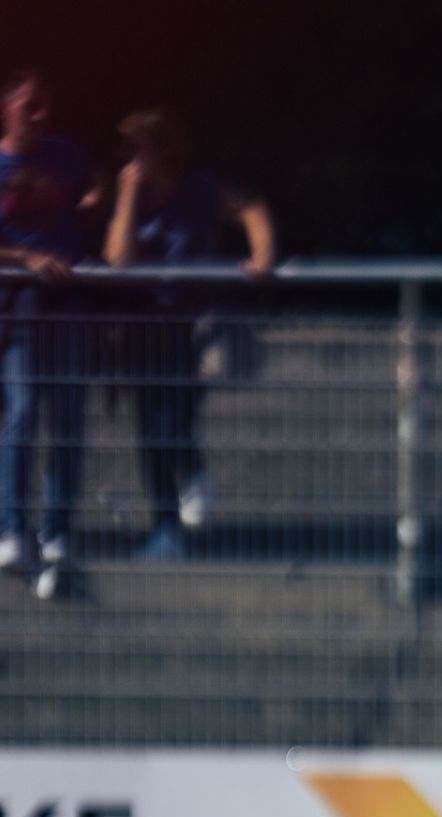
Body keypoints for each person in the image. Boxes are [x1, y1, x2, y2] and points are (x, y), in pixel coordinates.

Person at [103, 109, 276, 560]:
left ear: (159, 150)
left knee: (174, 416)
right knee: (150, 427)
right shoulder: (132, 198)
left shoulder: (200, 189)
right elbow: (118, 258)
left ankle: (194, 476)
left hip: (194, 321)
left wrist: (262, 256)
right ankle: (166, 526)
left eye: (136, 149)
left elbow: (251, 209)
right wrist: (127, 195)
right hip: (144, 324)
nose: (129, 159)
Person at [0, 70, 99, 600]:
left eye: (46, 106)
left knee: (69, 418)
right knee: (22, 409)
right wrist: (26, 257)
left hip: (69, 304)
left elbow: (96, 182)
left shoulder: (65, 156)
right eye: (29, 106)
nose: (39, 116)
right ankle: (12, 528)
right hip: (19, 308)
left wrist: (90, 203)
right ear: (8, 108)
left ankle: (56, 533)